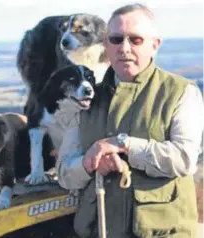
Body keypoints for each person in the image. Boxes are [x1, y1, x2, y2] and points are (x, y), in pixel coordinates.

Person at [56, 3, 204, 238]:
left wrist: (124, 144)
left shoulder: (182, 92)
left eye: (135, 40)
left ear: (155, 46)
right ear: (106, 45)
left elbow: (184, 159)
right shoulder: (86, 98)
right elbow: (64, 171)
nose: (124, 48)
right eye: (115, 39)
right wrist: (89, 162)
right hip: (99, 230)